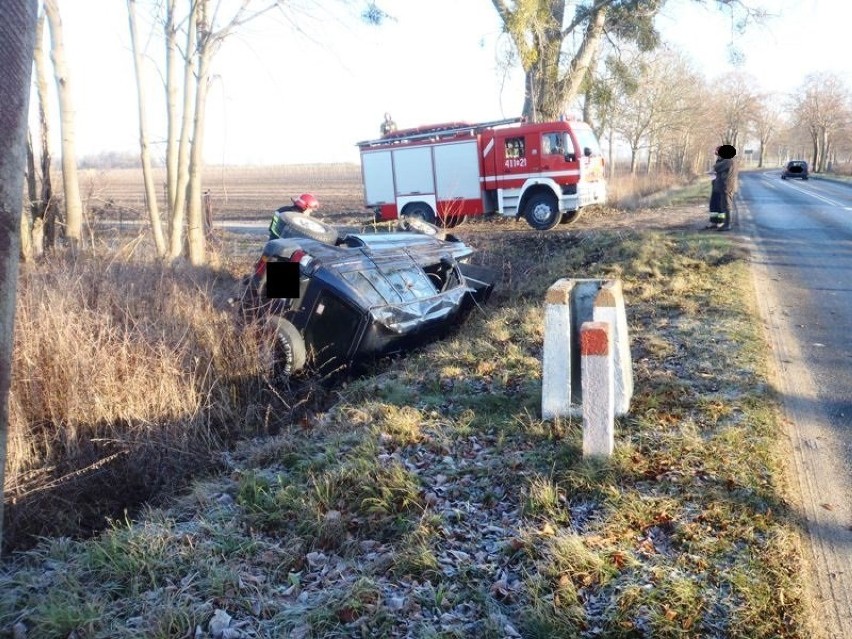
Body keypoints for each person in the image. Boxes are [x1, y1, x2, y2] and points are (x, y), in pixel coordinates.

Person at [706, 144, 737, 231]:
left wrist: (713, 169)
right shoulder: (726, 161)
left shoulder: (728, 161)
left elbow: (715, 168)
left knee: (726, 206)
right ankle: (719, 223)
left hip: (726, 187)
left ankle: (727, 224)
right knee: (719, 205)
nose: (717, 154)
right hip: (721, 186)